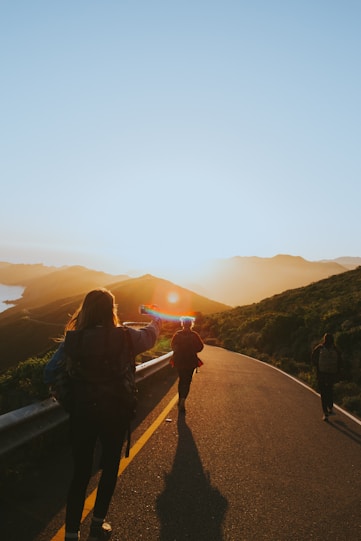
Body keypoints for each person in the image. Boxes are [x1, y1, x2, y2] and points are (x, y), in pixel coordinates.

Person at [44, 288, 161, 541]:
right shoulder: (126, 337)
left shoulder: (73, 341)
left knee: (80, 473)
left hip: (83, 414)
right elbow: (150, 337)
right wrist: (156, 321)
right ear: (111, 310)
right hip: (116, 412)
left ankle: (72, 534)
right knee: (109, 467)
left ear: (85, 310)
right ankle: (97, 526)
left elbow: (50, 372)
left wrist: (71, 400)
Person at [171, 316, 204, 413]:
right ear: (191, 324)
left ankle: (180, 398)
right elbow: (200, 347)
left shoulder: (177, 334)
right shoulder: (194, 335)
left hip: (180, 361)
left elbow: (172, 346)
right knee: (188, 381)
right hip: (191, 361)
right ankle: (183, 400)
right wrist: (192, 350)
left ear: (182, 324)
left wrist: (179, 351)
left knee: (181, 380)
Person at [311, 332, 341, 422]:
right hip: (332, 374)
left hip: (321, 374)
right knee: (330, 390)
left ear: (324, 339)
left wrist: (317, 367)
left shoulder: (319, 348)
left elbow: (313, 358)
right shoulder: (335, 349)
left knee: (323, 393)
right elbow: (340, 361)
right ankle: (330, 406)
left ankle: (325, 413)